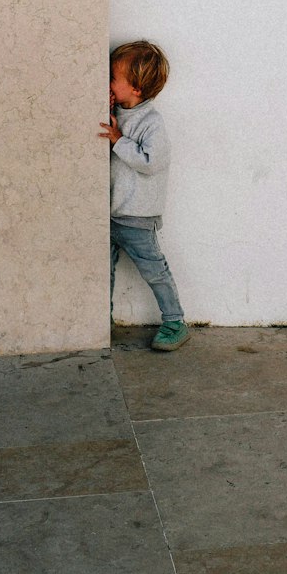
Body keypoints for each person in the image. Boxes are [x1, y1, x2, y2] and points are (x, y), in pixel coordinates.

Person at [101, 40, 189, 351]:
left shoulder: (151, 122)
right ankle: (100, 322)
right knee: (101, 269)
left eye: (113, 77)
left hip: (137, 215)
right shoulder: (115, 112)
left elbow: (152, 162)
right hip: (109, 211)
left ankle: (175, 320)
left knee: (154, 270)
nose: (107, 82)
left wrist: (118, 140)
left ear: (136, 88)